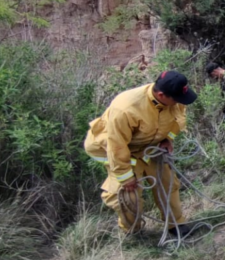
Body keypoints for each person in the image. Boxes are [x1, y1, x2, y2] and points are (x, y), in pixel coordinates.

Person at [84, 71, 198, 234]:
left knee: (167, 181)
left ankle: (175, 224)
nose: (179, 102)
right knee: (128, 194)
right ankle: (131, 231)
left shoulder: (174, 98)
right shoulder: (125, 108)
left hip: (147, 145)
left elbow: (178, 118)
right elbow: (116, 145)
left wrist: (168, 139)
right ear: (161, 95)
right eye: (176, 99)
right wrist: (125, 176)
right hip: (114, 148)